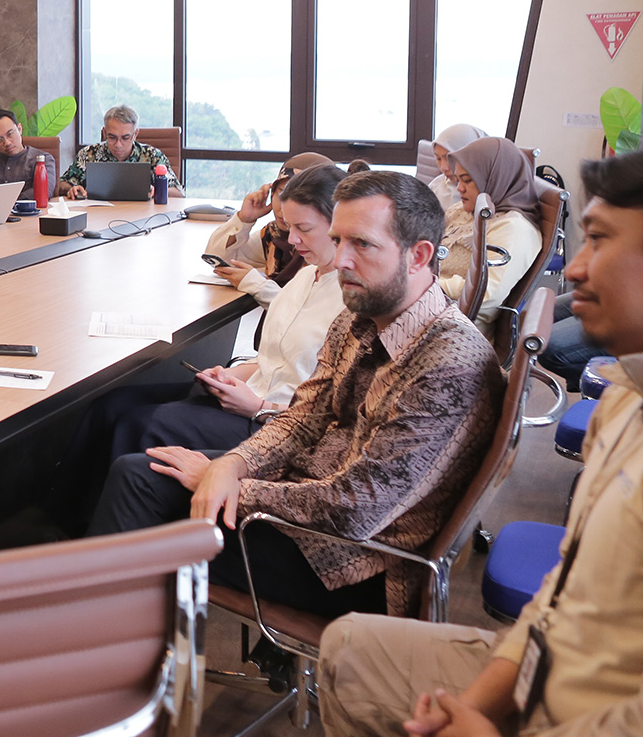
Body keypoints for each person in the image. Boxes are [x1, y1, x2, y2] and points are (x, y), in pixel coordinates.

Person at [318, 150, 643, 737]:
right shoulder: (622, 399)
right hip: (548, 669)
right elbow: (559, 597)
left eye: (597, 239)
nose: (572, 268)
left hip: (597, 709)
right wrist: (485, 703)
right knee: (351, 648)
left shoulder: (448, 351)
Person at [89, 171, 501, 620]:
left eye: (361, 244)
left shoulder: (447, 362)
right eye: (338, 239)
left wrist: (237, 488)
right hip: (306, 506)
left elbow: (357, 509)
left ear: (419, 255)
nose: (340, 260)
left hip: (353, 565)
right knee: (142, 468)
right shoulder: (361, 318)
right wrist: (231, 465)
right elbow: (302, 418)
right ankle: (107, 649)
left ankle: (94, 661)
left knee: (138, 490)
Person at [60, 164, 351, 526]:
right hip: (250, 394)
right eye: (289, 227)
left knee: (140, 424)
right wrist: (231, 373)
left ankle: (106, 535)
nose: (292, 240)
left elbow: (328, 411)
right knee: (111, 404)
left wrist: (258, 406)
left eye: (303, 229)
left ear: (339, 226)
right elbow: (275, 358)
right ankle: (61, 519)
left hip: (272, 424)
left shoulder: (351, 300)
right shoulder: (307, 274)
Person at [438, 136, 543, 329]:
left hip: (456, 330)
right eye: (458, 179)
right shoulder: (462, 211)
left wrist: (426, 285)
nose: (459, 188)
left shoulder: (513, 228)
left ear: (496, 179)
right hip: (430, 306)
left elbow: (484, 295)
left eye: (468, 180)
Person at [204, 152, 335, 306]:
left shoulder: (333, 248)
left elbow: (308, 312)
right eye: (281, 193)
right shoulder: (275, 235)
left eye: (301, 199)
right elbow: (218, 258)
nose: (283, 206)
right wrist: (244, 220)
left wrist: (256, 284)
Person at [57, 104, 182, 199]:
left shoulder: (152, 155)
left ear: (135, 134)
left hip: (143, 218)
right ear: (105, 132)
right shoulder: (89, 154)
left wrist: (156, 190)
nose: (118, 145)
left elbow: (178, 193)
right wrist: (73, 189)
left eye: (125, 138)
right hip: (98, 218)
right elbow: (61, 185)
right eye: (112, 137)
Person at [427, 123, 486, 210]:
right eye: (438, 159)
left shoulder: (488, 196)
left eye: (449, 158)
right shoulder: (436, 186)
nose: (443, 168)